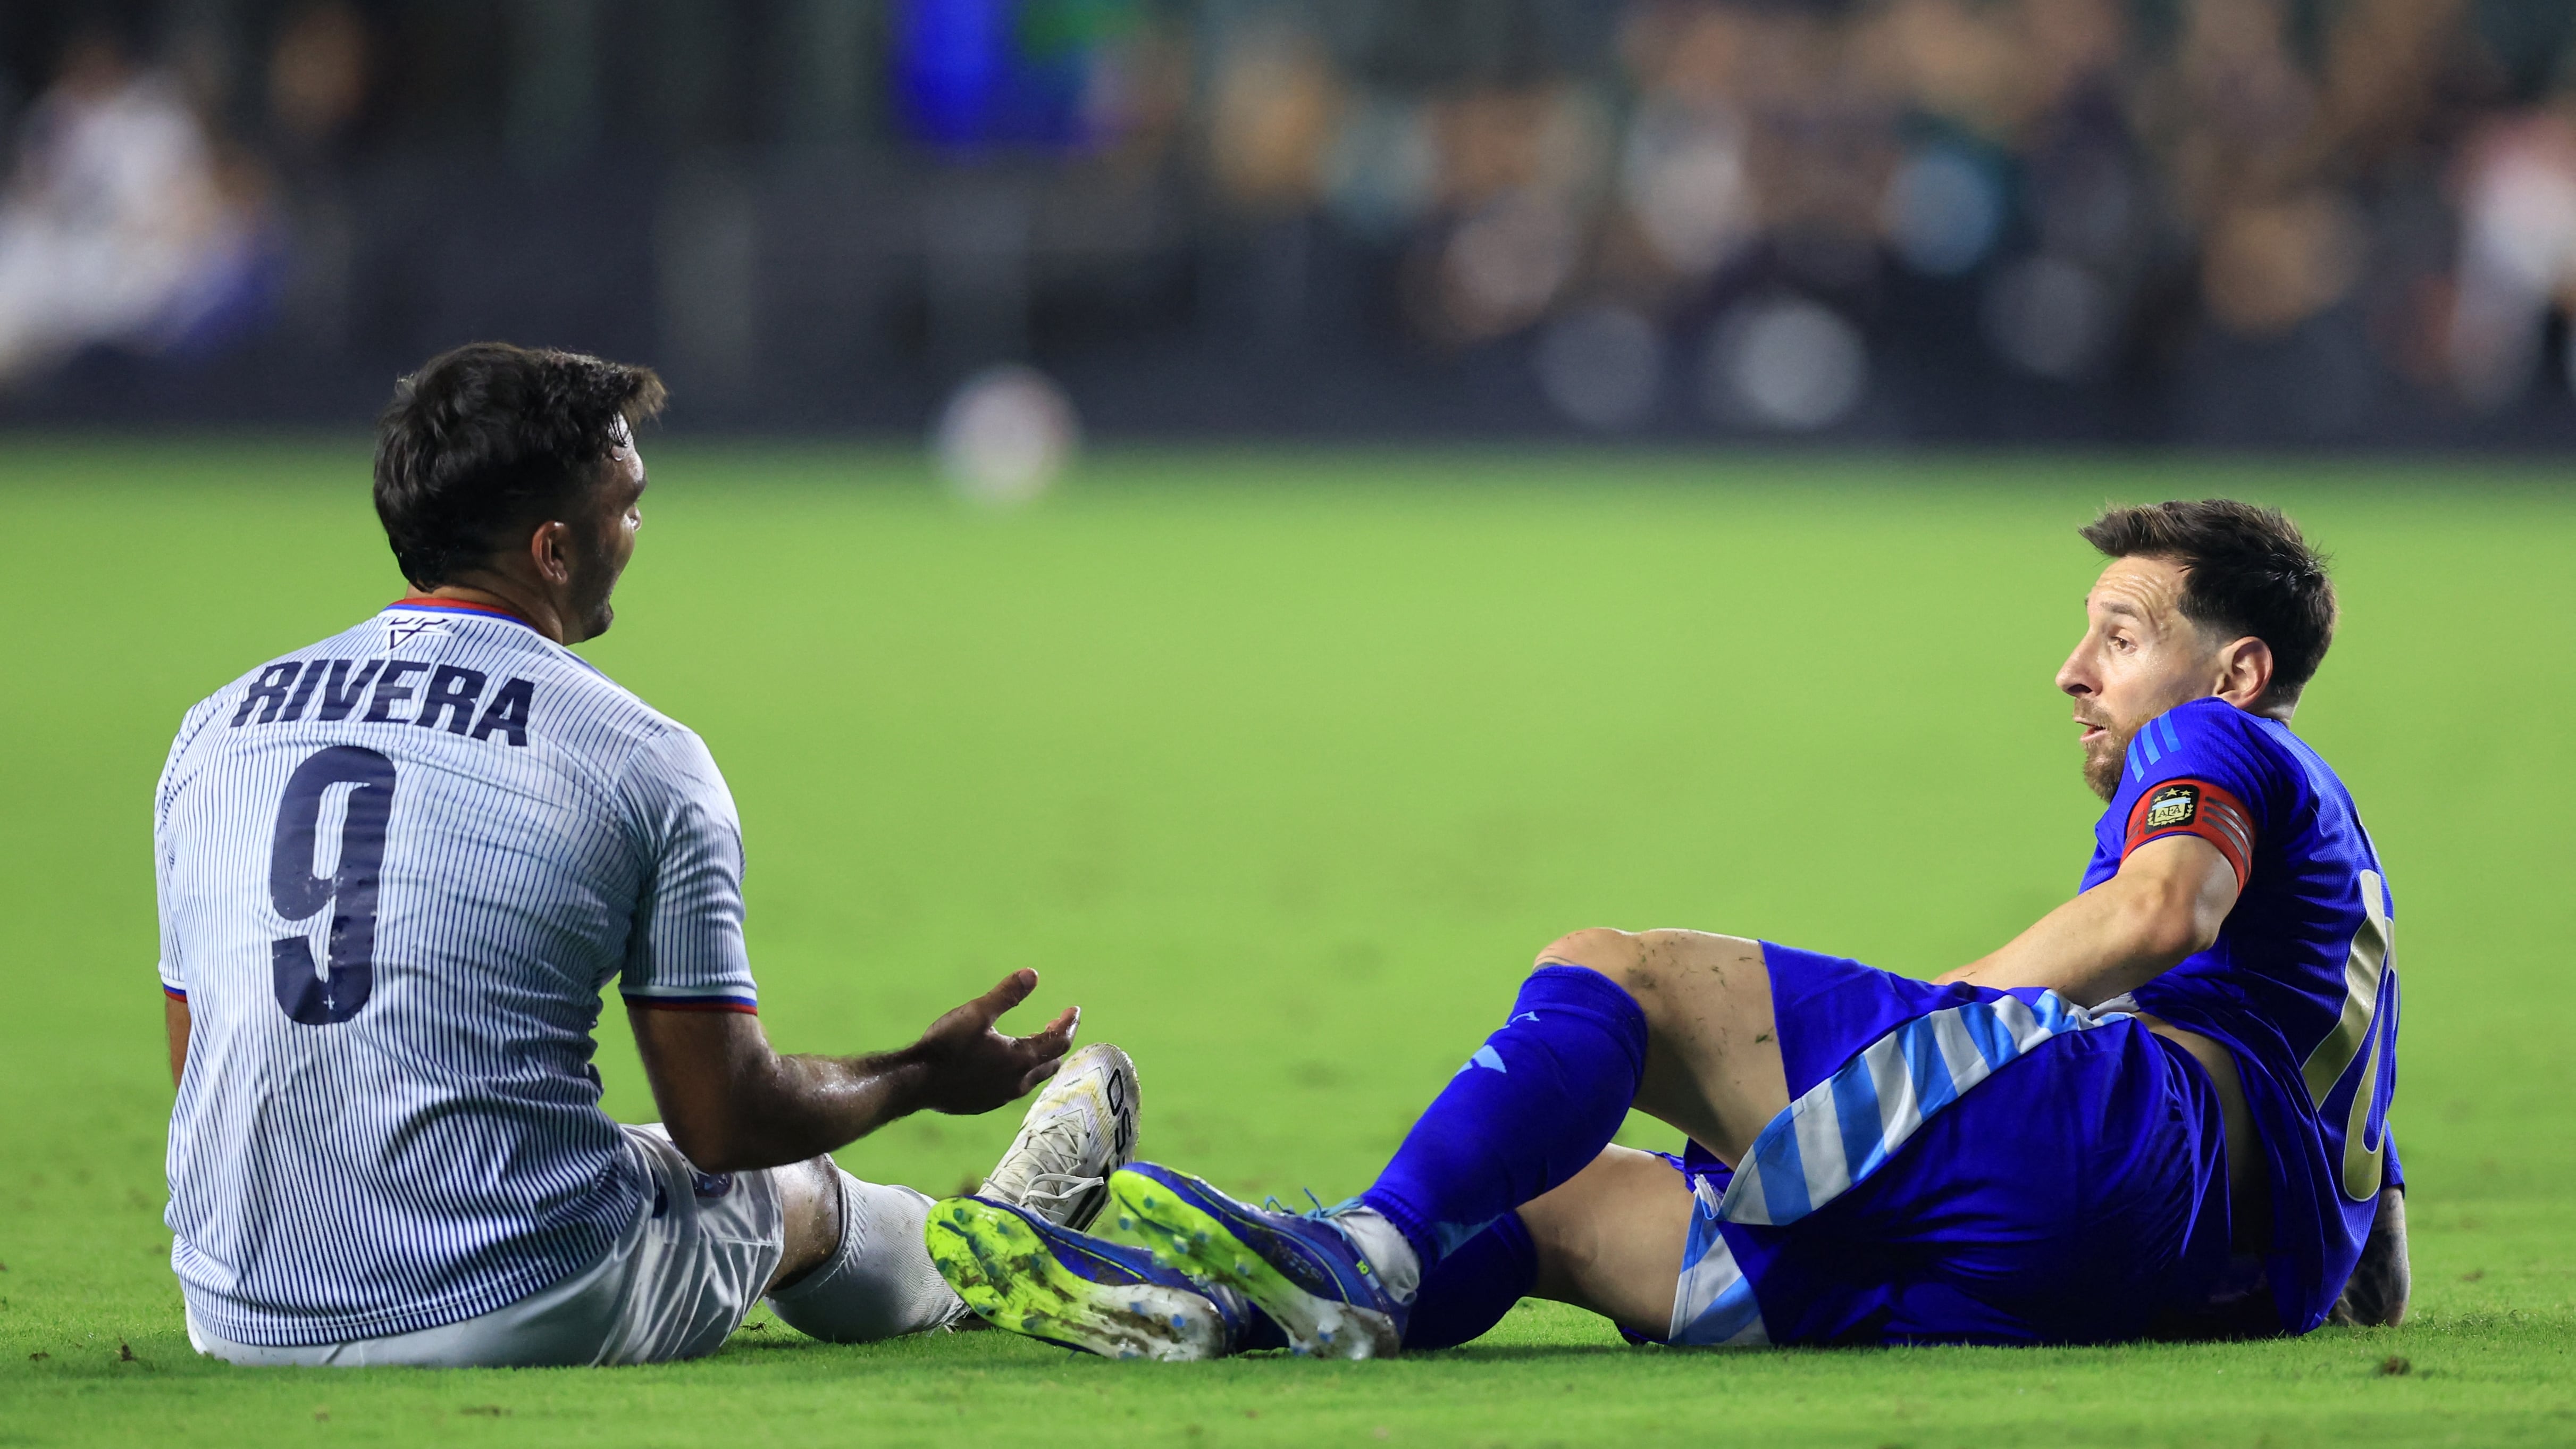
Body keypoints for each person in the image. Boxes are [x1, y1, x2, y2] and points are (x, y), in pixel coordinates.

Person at [924, 498, 2407, 1359]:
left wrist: (1962, 1002)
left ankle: (1360, 1252)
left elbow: (2162, 906)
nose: (2071, 669)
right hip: (2143, 1277)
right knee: (1546, 1207)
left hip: (2112, 1163)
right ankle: (1215, 1315)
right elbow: (2371, 1228)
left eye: (2119, 633)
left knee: (1618, 971)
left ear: (2236, 668)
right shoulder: (2340, 884)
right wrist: (2350, 1262)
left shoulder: (2217, 746)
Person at [157, 341, 1139, 1367]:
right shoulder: (636, 754)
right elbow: (727, 1122)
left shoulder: (216, 730)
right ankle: (974, 1256)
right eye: (625, 505)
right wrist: (917, 1074)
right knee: (782, 1191)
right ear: (551, 549)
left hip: (237, 1309)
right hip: (503, 1302)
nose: (636, 530)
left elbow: (204, 1070)